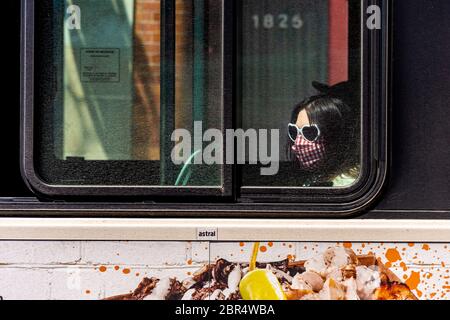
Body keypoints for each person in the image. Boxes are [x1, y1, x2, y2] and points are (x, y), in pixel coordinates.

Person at [286, 81, 360, 187]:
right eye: (293, 132)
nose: (297, 144)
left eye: (310, 132)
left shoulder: (347, 186)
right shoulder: (319, 177)